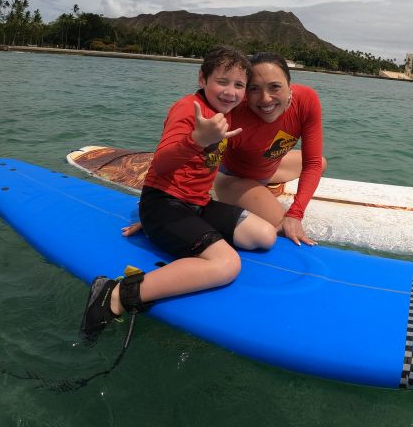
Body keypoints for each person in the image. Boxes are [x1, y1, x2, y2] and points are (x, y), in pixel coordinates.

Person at [80, 46, 277, 343]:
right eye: (222, 81)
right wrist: (198, 139)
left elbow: (272, 106)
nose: (230, 92)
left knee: (264, 235)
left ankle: (159, 229)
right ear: (202, 79)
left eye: (239, 85)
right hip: (163, 203)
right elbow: (161, 162)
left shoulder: (227, 113)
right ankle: (116, 293)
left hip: (196, 205)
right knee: (227, 265)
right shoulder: (188, 109)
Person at [214, 52, 327, 246]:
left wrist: (296, 213)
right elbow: (200, 158)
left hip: (268, 167)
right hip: (233, 179)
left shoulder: (306, 100)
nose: (265, 99)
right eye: (254, 89)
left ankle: (265, 183)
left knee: (321, 162)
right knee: (283, 230)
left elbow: (313, 163)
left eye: (275, 87)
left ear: (289, 86)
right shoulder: (234, 114)